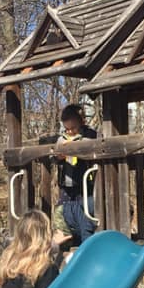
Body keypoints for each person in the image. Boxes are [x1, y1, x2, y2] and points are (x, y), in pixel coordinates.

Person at [52, 104, 98, 244]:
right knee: (61, 210)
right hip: (66, 183)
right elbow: (55, 151)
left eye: (73, 128)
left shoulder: (88, 134)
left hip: (83, 181)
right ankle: (65, 235)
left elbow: (91, 144)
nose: (70, 132)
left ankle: (85, 238)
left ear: (82, 123)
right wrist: (58, 155)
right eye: (67, 129)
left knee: (83, 211)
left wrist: (73, 146)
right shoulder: (62, 138)